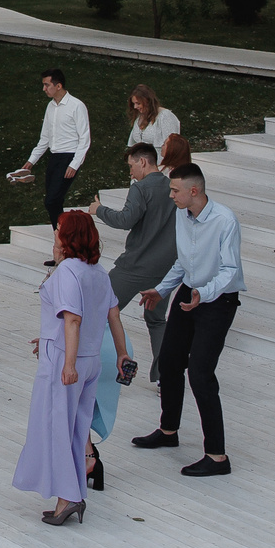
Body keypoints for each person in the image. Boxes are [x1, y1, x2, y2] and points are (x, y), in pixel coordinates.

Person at [15, 210, 129, 525]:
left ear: (68, 236)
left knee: (56, 428)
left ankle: (68, 498)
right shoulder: (98, 272)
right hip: (90, 359)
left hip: (68, 361)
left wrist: (67, 363)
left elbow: (73, 319)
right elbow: (113, 315)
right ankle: (73, 494)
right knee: (77, 431)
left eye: (60, 227)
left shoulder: (68, 272)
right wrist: (121, 355)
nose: (56, 230)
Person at [134, 162, 245, 477]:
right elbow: (183, 263)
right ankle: (168, 432)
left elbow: (230, 270)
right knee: (169, 362)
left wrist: (204, 294)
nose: (171, 196)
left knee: (200, 373)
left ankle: (217, 457)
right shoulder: (182, 216)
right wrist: (161, 290)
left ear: (193, 190)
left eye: (175, 190)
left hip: (218, 299)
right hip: (190, 292)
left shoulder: (225, 221)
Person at [99, 142, 179, 394]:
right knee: (157, 321)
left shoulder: (140, 189)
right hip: (164, 269)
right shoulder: (173, 187)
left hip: (134, 266)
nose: (130, 172)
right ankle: (164, 377)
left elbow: (125, 220)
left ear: (143, 162)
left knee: (99, 309)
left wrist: (98, 210)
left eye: (131, 166)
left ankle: (83, 364)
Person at [15, 69, 89, 220]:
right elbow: (45, 138)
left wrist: (74, 164)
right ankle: (62, 235)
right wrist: (31, 161)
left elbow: (85, 138)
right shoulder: (50, 107)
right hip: (54, 157)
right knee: (53, 201)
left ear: (59, 86)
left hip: (68, 157)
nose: (44, 89)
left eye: (47, 85)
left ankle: (63, 234)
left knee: (52, 200)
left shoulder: (76, 106)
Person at [126, 84, 181, 156]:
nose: (135, 107)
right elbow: (132, 146)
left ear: (147, 101)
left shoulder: (165, 116)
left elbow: (173, 148)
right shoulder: (139, 118)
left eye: (138, 103)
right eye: (134, 104)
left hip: (160, 164)